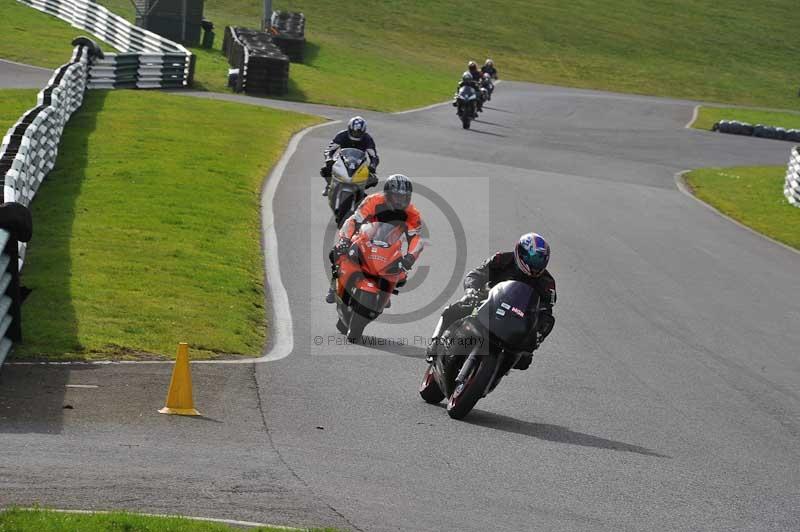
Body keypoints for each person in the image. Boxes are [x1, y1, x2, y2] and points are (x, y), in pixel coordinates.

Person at [426, 233, 556, 370]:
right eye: (532, 259)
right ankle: (435, 342)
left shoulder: (547, 283)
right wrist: (472, 290)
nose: (535, 265)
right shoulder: (502, 260)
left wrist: (538, 334)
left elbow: (547, 312)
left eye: (539, 260)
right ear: (520, 252)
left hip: (517, 318)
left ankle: (498, 369)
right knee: (454, 310)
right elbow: (477, 274)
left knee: (525, 359)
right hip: (488, 302)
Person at [326, 174, 424, 303]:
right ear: (387, 194)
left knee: (401, 276)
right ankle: (334, 285)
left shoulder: (413, 213)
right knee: (337, 252)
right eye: (396, 196)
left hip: (390, 245)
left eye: (403, 197)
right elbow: (354, 221)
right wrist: (345, 240)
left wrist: (410, 257)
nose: (400, 200)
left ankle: (385, 291)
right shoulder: (373, 201)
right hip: (365, 237)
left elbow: (415, 238)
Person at [321, 116, 379, 196]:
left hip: (360, 163)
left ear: (363, 131)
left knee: (373, 179)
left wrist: (373, 166)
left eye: (358, 132)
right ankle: (330, 185)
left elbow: (374, 156)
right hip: (341, 159)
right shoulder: (342, 135)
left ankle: (360, 190)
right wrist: (329, 159)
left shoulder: (367, 138)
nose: (356, 134)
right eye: (354, 132)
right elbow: (329, 150)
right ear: (349, 129)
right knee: (325, 169)